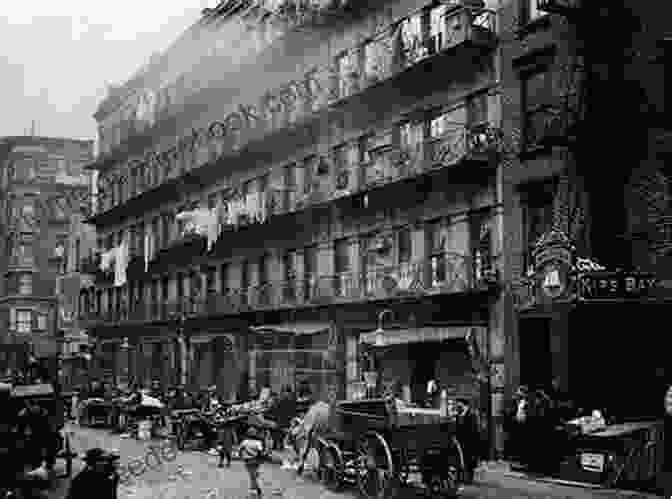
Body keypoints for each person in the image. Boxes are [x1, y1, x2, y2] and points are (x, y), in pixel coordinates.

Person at [239, 426, 265, 497]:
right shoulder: (258, 442)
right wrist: (260, 460)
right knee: (254, 475)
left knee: (252, 475)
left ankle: (256, 488)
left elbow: (240, 450)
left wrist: (241, 456)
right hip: (256, 460)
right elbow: (260, 452)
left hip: (247, 460)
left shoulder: (245, 442)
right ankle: (254, 488)